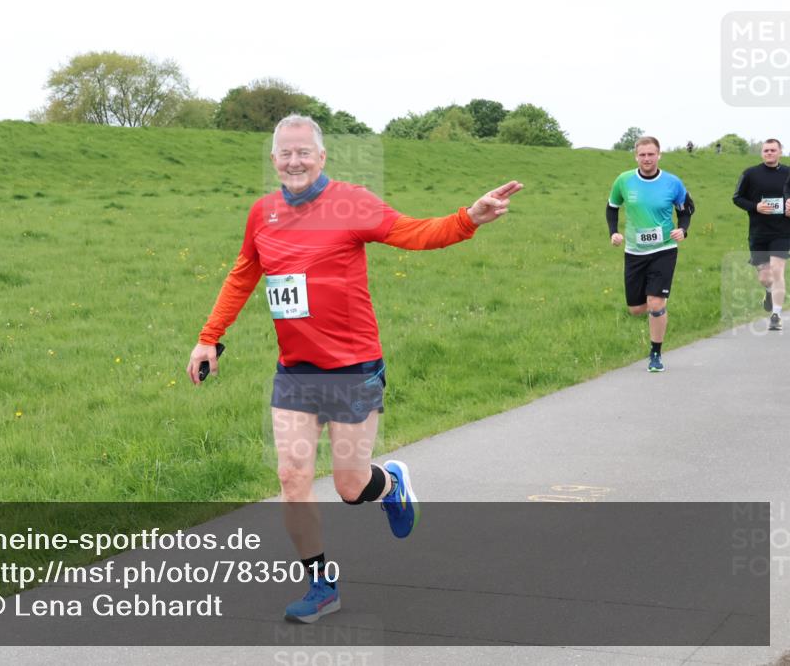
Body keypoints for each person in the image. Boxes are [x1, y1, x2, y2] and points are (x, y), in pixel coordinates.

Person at [186, 114, 523, 623]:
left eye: (304, 152)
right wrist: (209, 338)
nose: (294, 161)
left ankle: (389, 483)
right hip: (296, 370)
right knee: (292, 476)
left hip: (352, 367)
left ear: (321, 157)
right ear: (273, 159)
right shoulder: (263, 214)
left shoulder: (350, 202)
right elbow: (243, 274)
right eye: (285, 153)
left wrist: (468, 217)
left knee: (349, 486)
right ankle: (322, 584)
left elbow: (414, 233)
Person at [606, 136, 693, 372]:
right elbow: (612, 207)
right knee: (635, 309)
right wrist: (613, 232)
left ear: (659, 155)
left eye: (651, 154)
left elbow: (686, 210)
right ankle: (658, 308)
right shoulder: (624, 181)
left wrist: (682, 229)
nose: (647, 158)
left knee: (655, 303)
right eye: (642, 154)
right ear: (636, 156)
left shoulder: (672, 183)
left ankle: (655, 353)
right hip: (634, 251)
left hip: (664, 249)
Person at [732, 138, 789, 331]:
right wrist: (755, 206)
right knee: (765, 277)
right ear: (761, 153)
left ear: (780, 152)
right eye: (766, 150)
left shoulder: (788, 173)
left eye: (773, 150)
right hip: (758, 232)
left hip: (782, 231)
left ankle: (776, 315)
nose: (769, 153)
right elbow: (737, 198)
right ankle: (769, 292)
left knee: (777, 270)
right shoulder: (750, 174)